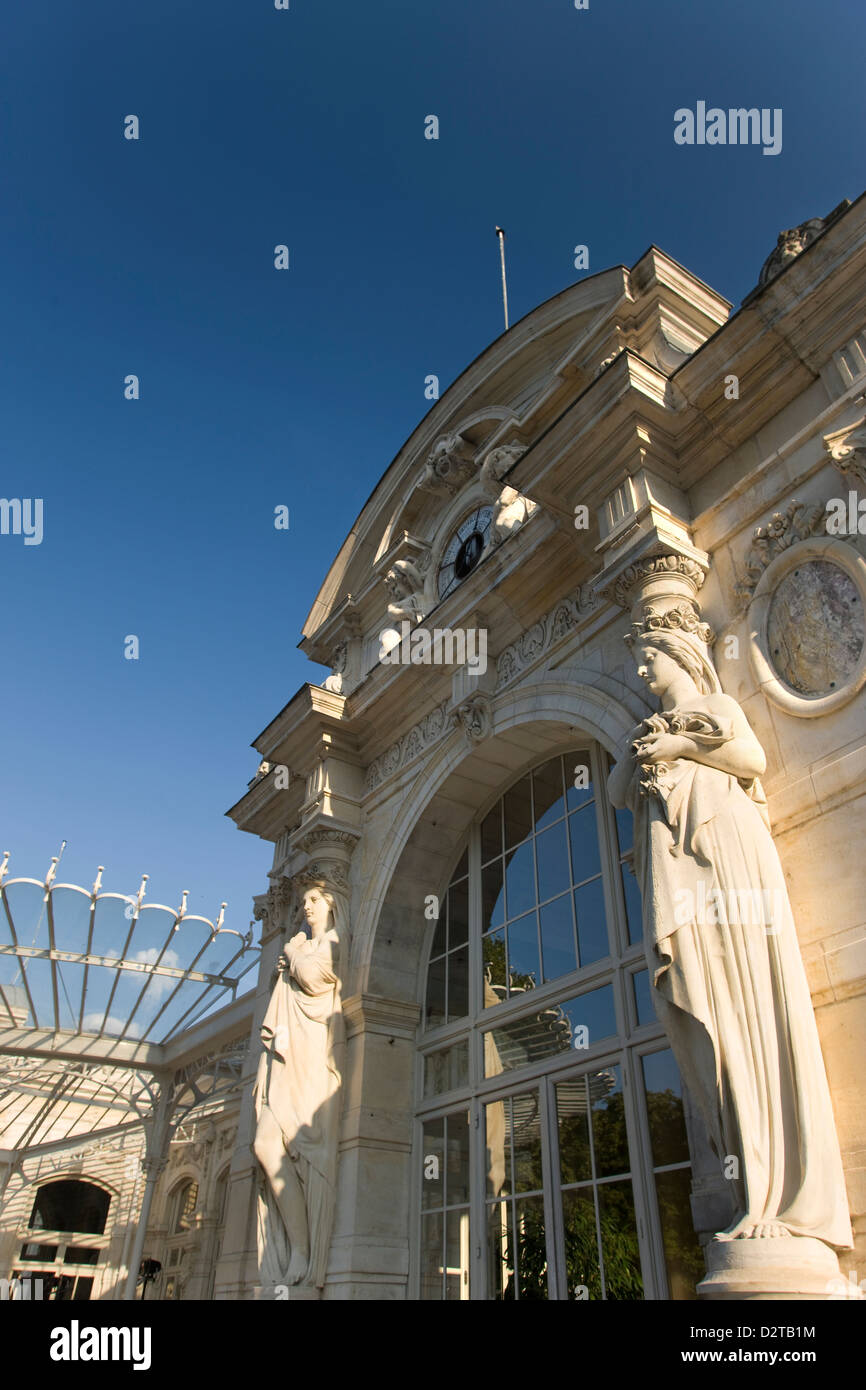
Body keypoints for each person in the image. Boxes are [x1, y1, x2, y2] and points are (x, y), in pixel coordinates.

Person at [607, 612, 853, 1250]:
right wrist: (648, 747)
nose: (640, 670)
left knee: (747, 1014)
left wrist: (684, 745)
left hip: (726, 868)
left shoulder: (716, 705)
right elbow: (612, 793)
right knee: (703, 1017)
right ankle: (751, 1180)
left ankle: (775, 1192)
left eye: (647, 656)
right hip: (680, 881)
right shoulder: (646, 730)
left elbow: (752, 757)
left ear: (678, 652)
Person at [253, 882, 348, 1287]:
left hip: (312, 1060)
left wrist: (291, 953)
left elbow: (312, 977)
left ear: (331, 902)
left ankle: (305, 1252)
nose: (306, 906)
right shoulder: (303, 945)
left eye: (314, 899)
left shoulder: (334, 941)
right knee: (263, 1144)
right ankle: (298, 1245)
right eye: (304, 900)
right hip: (287, 1059)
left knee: (299, 1147)